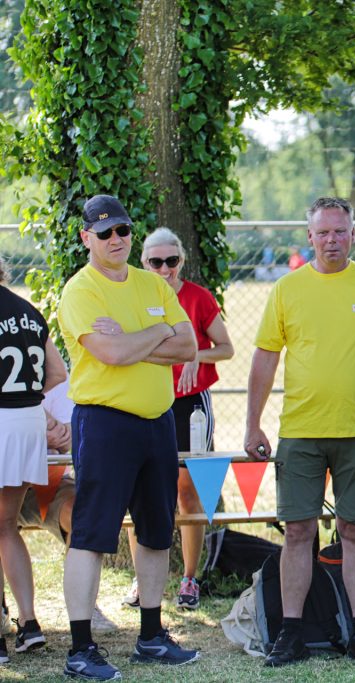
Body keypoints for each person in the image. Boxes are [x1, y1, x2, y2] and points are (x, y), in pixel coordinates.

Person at [244, 196, 355, 668]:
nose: (332, 240)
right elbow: (264, 358)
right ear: (309, 237)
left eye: (340, 231)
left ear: (353, 234)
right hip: (300, 431)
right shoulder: (287, 289)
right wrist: (252, 422)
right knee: (298, 532)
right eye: (323, 232)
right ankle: (291, 633)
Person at [57, 194, 200, 680]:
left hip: (157, 421)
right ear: (86, 239)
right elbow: (109, 353)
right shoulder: (80, 291)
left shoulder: (151, 283)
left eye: (122, 230)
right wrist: (156, 333)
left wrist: (139, 335)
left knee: (157, 530)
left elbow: (189, 345)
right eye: (104, 233)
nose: (115, 239)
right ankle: (81, 649)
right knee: (93, 534)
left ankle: (152, 636)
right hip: (105, 423)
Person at [118, 227, 235, 611]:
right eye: (156, 262)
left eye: (172, 261)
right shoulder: (132, 296)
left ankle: (189, 578)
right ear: (144, 262)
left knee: (188, 493)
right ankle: (143, 581)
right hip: (146, 401)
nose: (165, 269)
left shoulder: (198, 297)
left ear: (181, 261)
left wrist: (193, 356)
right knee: (141, 493)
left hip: (190, 405)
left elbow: (226, 348)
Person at [5, 377, 119, 635]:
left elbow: (67, 440)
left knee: (82, 518)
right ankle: (17, 615)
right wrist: (39, 429)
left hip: (50, 482)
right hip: (7, 478)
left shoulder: (60, 383)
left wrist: (33, 431)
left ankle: (86, 608)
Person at [0, 255, 66, 664]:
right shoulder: (28, 311)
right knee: (6, 526)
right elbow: (57, 374)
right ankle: (28, 623)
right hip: (26, 422)